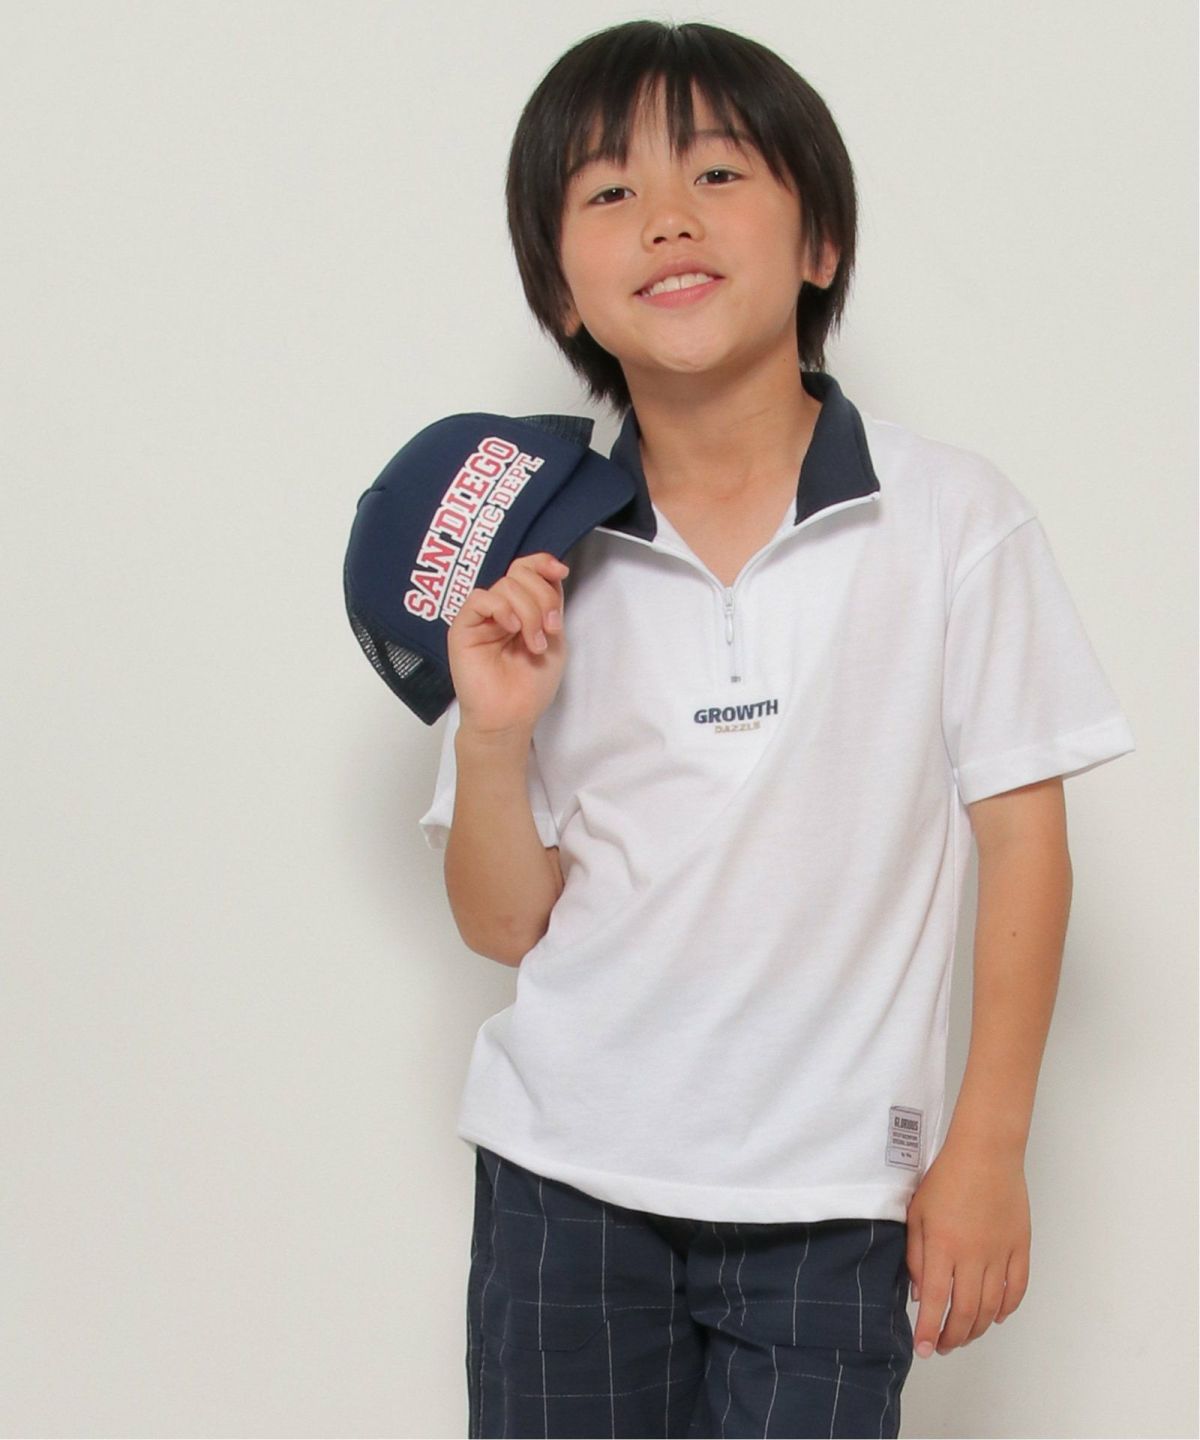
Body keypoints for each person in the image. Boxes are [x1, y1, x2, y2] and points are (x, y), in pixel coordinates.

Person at [415, 19, 1136, 1439]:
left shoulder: (953, 519)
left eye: (719, 173)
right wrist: (492, 734)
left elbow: (1025, 841)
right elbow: (503, 927)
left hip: (833, 1199)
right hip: (564, 1185)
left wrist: (990, 1142)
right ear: (560, 287)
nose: (667, 218)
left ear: (820, 241)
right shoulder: (537, 561)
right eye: (609, 191)